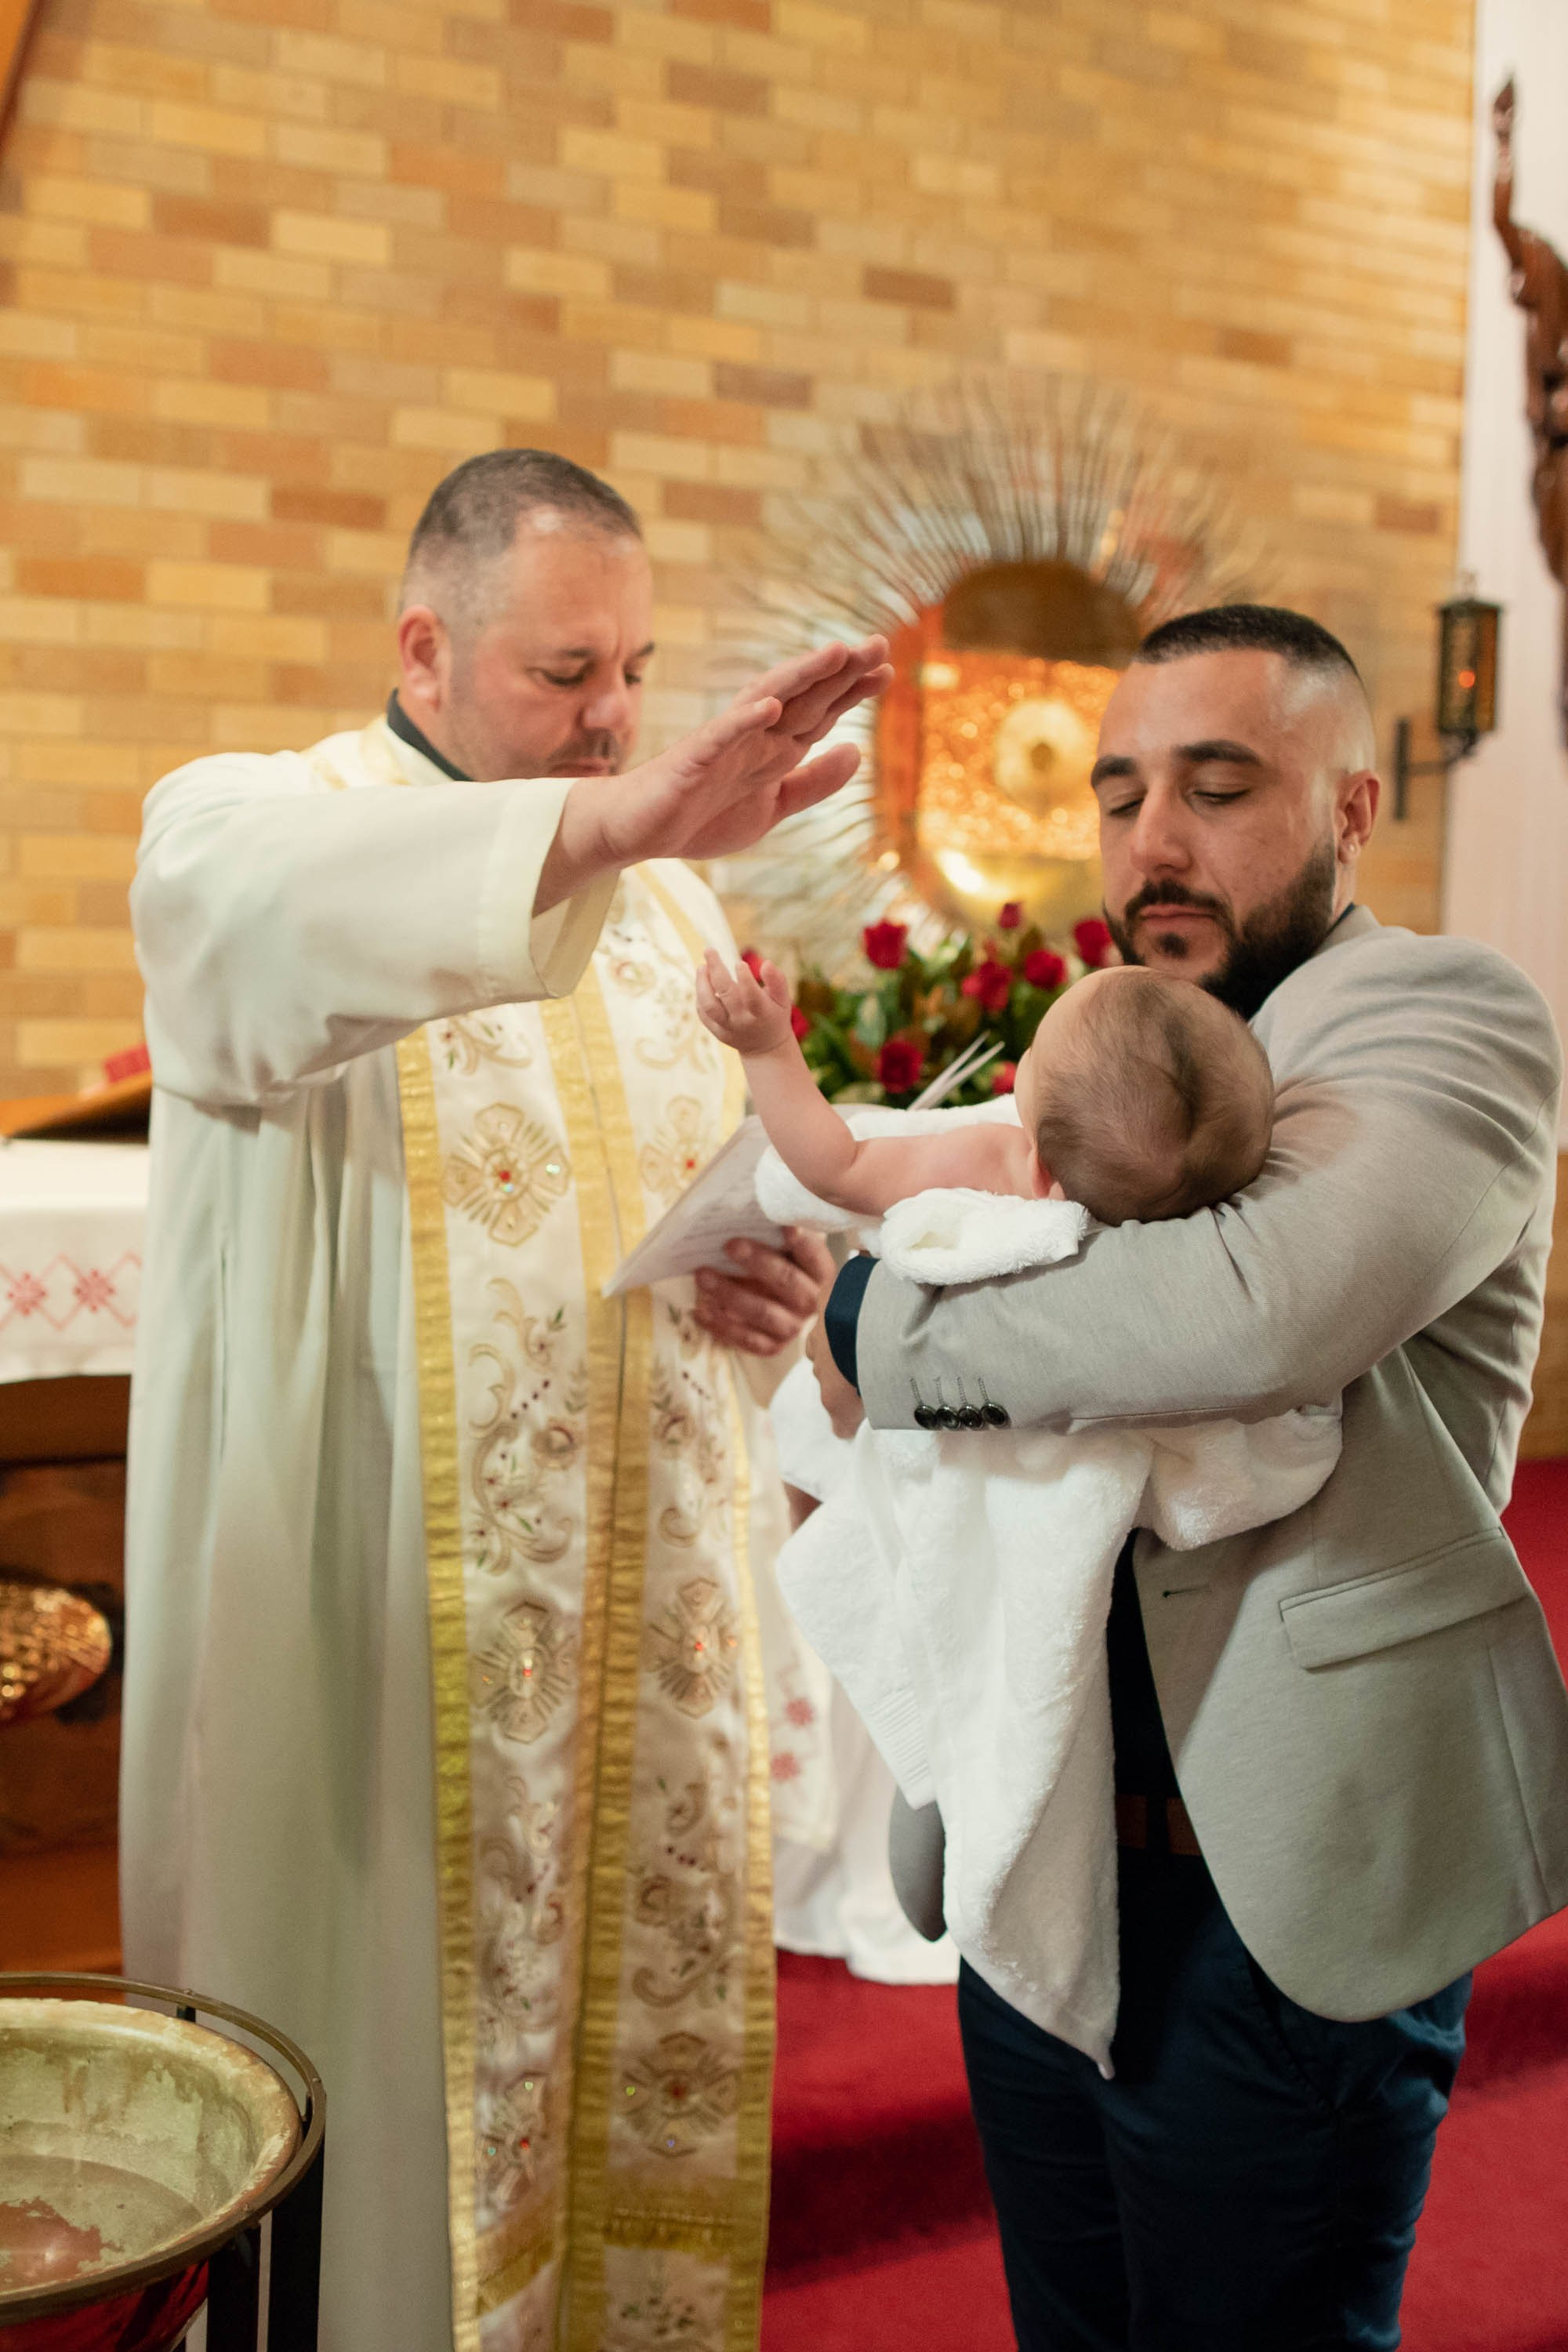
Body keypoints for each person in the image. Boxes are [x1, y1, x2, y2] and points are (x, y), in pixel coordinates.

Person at [122, 446, 890, 2352]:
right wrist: (620, 818)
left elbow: (722, 1196)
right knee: (388, 2091)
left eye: (630, 668)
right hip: (384, 1634)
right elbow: (244, 926)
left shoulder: (672, 915)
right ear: (421, 644)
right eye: (566, 673)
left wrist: (782, 1282)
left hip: (640, 1645)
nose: (614, 716)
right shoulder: (252, 818)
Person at [807, 602, 1568, 2351]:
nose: (1154, 842)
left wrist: (881, 1321)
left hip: (1284, 1891)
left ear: (1353, 809)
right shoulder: (1100, 1048)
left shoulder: (1441, 1016)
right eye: (1121, 791)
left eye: (1220, 789)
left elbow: (1252, 1310)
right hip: (1042, 1840)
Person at [696, 949, 1338, 2074]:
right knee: (1020, 1657)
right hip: (1113, 1511)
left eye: (1035, 1054)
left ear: (1038, 1160)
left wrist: (767, 1047)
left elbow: (832, 1161)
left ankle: (943, 1795)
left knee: (815, 1445)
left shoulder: (995, 1163)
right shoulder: (1181, 1220)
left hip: (938, 1439)